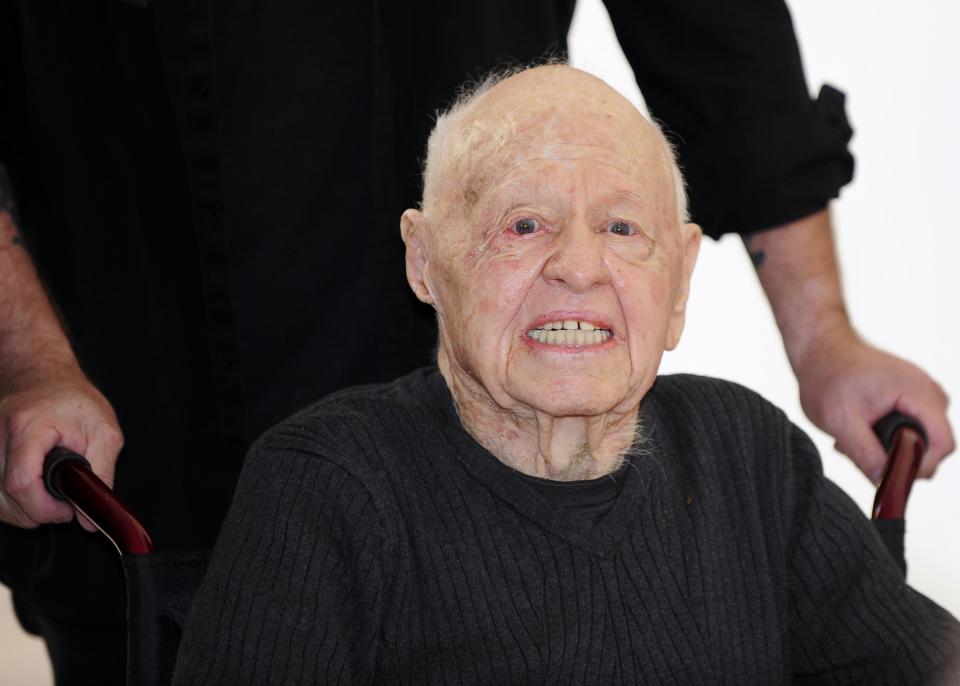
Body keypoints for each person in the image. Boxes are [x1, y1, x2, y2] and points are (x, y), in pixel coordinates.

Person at [0, 1, 953, 682]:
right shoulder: (319, 487)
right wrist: (26, 356)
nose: (580, 265)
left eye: (623, 230)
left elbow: (723, 48)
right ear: (425, 260)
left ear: (681, 279)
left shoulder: (745, 456)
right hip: (147, 383)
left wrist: (824, 336)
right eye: (528, 225)